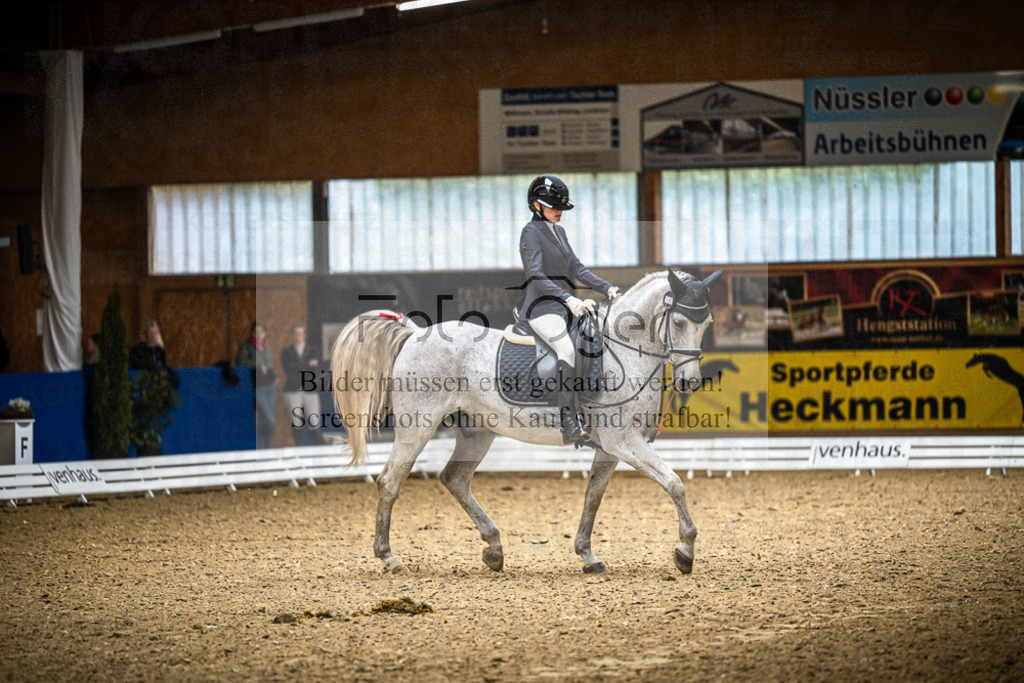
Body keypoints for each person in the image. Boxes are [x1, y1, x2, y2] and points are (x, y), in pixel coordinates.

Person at [518, 174, 620, 445]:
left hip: (563, 308)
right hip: (542, 308)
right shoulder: (530, 232)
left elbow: (577, 269)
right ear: (536, 206)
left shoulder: (559, 232)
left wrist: (608, 288)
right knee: (567, 350)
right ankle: (569, 422)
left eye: (560, 206)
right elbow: (536, 275)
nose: (559, 211)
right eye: (552, 206)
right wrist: (568, 298)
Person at [280, 323, 324, 446]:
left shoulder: (312, 350)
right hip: (293, 389)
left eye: (300, 334)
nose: (298, 336)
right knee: (297, 420)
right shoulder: (287, 352)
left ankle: (319, 447)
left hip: (309, 388)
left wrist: (299, 366)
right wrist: (307, 365)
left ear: (304, 335)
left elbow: (314, 369)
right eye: (295, 334)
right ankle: (299, 446)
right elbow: (288, 370)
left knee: (314, 419)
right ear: (292, 336)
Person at [237, 322, 277, 449]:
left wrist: (275, 377)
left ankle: (265, 448)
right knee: (270, 419)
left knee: (265, 420)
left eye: (261, 332)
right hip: (257, 386)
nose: (258, 334)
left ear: (265, 334)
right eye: (256, 332)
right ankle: (263, 446)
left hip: (270, 386)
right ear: (252, 333)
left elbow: (270, 367)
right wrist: (258, 366)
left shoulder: (267, 348)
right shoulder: (246, 347)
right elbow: (241, 361)